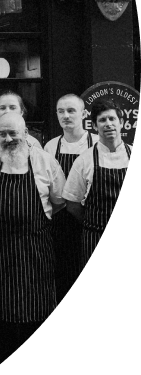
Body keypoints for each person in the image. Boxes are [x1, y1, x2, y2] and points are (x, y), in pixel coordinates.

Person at [0, 113, 64, 372]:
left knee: (37, 311)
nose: (8, 138)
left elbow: (59, 202)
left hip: (35, 250)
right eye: (3, 133)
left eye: (14, 133)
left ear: (26, 133)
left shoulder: (45, 161)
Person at [58, 98, 133, 271]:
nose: (108, 124)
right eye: (102, 120)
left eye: (112, 119)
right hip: (94, 237)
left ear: (121, 123)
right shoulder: (84, 160)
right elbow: (72, 204)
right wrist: (93, 224)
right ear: (94, 126)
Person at [44, 94, 98, 300]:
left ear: (84, 114)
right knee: (63, 275)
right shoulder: (50, 147)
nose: (65, 116)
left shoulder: (96, 143)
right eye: (61, 111)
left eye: (71, 111)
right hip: (59, 221)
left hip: (90, 220)